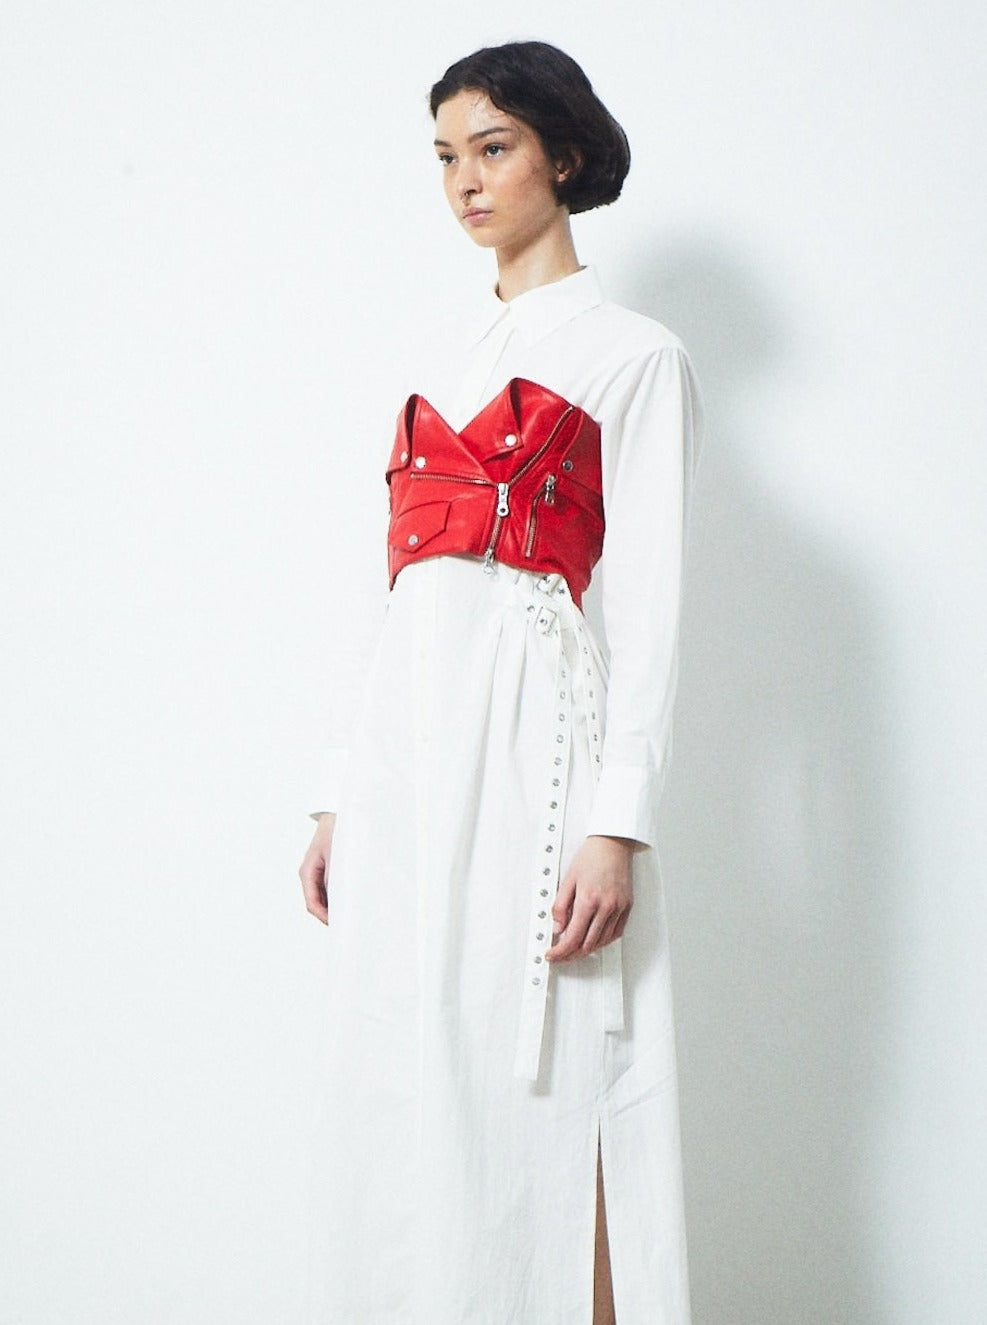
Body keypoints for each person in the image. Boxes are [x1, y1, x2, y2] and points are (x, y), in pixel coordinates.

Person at [299, 40, 703, 1325]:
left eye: (493, 148)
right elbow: (384, 595)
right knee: (417, 1080)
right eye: (444, 157)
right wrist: (338, 794)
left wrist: (615, 820)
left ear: (563, 156)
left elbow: (648, 610)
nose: (464, 181)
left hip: (540, 752)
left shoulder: (634, 354)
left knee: (567, 1072)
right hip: (410, 758)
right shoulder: (435, 358)